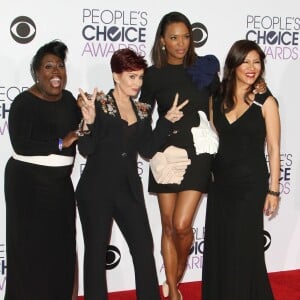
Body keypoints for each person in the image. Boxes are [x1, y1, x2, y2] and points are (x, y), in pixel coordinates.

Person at [75, 48, 188, 300]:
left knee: (143, 249)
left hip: (128, 189)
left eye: (140, 77)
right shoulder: (99, 104)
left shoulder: (143, 110)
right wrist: (88, 124)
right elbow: (86, 149)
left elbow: (147, 149)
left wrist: (166, 121)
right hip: (96, 190)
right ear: (116, 76)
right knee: (95, 253)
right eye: (131, 77)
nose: (137, 84)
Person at [139, 11, 220, 300]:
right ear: (162, 41)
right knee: (168, 225)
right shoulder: (152, 75)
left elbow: (221, 107)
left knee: (183, 225)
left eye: (186, 37)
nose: (181, 43)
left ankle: (177, 272)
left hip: (198, 152)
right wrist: (154, 134)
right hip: (165, 152)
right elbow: (142, 116)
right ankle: (173, 290)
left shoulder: (205, 69)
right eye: (174, 37)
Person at [202, 39, 280, 300]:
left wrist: (274, 190)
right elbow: (212, 139)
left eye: (257, 62)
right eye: (245, 61)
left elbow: (274, 148)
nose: (251, 67)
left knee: (244, 249)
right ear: (233, 64)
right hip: (220, 183)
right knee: (221, 245)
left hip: (250, 185)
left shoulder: (266, 101)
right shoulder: (216, 98)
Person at [4, 40, 81, 300]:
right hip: (27, 187)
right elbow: (22, 145)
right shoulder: (23, 103)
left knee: (62, 250)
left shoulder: (70, 101)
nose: (56, 72)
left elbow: (82, 133)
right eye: (48, 66)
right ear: (37, 72)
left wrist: (89, 115)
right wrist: (61, 142)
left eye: (60, 66)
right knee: (30, 252)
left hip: (60, 187)